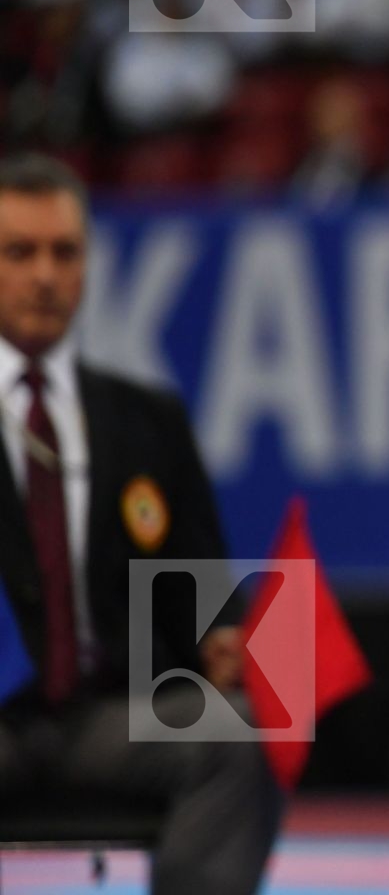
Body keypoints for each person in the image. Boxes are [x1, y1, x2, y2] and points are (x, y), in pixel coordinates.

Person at [0, 152, 281, 894]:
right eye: (18, 252)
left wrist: (222, 641)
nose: (44, 276)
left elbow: (203, 594)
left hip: (108, 718)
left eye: (64, 253)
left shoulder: (146, 419)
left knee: (236, 732)